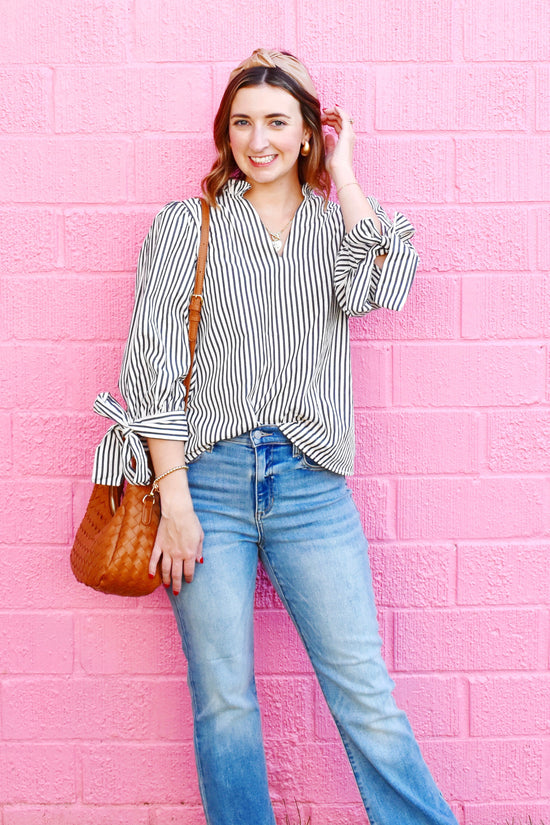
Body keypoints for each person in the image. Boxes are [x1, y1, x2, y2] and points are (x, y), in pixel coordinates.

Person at [94, 48, 458, 825]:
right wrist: (177, 503)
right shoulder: (182, 228)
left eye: (277, 122)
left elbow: (387, 280)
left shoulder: (335, 228)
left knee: (365, 693)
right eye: (242, 122)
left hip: (310, 484)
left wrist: (348, 170)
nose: (257, 140)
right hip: (207, 485)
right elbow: (150, 369)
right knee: (224, 700)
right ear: (225, 134)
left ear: (305, 136)